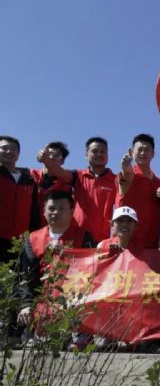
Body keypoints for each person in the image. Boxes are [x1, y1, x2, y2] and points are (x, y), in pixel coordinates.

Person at [17, 191, 95, 327]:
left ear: (72, 211)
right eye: (51, 208)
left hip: (74, 308)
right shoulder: (32, 239)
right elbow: (27, 277)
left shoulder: (84, 237)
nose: (55, 212)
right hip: (40, 309)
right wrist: (26, 305)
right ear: (44, 211)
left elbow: (92, 273)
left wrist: (68, 253)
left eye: (61, 209)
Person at [41, 137, 117, 243]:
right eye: (95, 151)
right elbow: (60, 172)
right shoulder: (78, 176)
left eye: (103, 151)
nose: (99, 154)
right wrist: (47, 160)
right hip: (77, 236)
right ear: (86, 155)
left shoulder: (116, 180)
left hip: (104, 239)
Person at [115, 134, 160, 248]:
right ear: (132, 152)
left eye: (147, 150)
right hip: (127, 245)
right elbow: (127, 176)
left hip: (151, 246)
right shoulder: (128, 175)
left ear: (153, 154)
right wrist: (126, 167)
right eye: (139, 149)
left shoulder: (159, 183)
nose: (143, 153)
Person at [0, 135, 39, 263]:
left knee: (17, 273)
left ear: (18, 154)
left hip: (20, 240)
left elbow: (34, 210)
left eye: (13, 149)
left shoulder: (28, 180)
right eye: (4, 148)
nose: (9, 151)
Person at [32, 141, 75, 225]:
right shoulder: (29, 176)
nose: (51, 157)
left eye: (56, 155)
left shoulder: (68, 185)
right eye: (49, 154)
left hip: (55, 229)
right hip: (27, 229)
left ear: (62, 161)